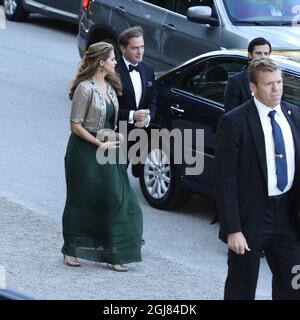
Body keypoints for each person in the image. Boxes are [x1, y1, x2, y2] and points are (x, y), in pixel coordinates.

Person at [215, 57, 300, 300]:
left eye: (279, 82)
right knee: (241, 288)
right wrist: (233, 229)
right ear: (253, 87)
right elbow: (225, 180)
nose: (277, 89)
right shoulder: (234, 121)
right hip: (251, 216)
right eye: (269, 84)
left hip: (287, 215)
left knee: (294, 285)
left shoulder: (295, 115)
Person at [61, 42, 143, 272]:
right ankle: (71, 249)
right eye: (113, 59)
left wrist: (119, 134)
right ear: (101, 62)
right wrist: (98, 142)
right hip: (84, 152)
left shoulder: (110, 86)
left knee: (117, 198)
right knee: (81, 200)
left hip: (109, 149)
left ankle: (115, 252)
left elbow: (109, 122)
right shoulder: (84, 89)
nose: (116, 62)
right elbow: (75, 125)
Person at [116, 25, 157, 160]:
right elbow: (107, 108)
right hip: (115, 134)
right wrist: (133, 115)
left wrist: (147, 118)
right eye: (135, 48)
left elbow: (152, 100)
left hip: (137, 136)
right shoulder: (113, 71)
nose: (140, 52)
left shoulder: (148, 69)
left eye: (142, 47)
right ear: (123, 48)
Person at [224, 37, 272, 112]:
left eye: (266, 53)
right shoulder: (236, 82)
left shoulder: (275, 79)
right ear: (250, 55)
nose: (263, 57)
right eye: (258, 53)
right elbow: (231, 115)